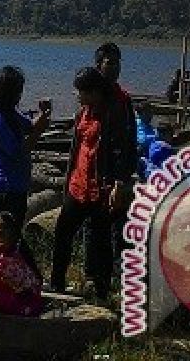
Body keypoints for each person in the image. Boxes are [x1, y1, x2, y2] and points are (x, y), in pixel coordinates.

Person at [49, 67, 139, 300]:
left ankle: (101, 290)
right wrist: (67, 179)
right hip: (78, 183)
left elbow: (124, 149)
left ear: (95, 92)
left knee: (101, 239)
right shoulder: (82, 113)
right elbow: (76, 148)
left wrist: (119, 182)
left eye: (82, 92)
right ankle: (56, 282)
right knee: (63, 232)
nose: (78, 96)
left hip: (101, 186)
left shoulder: (114, 112)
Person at [0, 66, 50, 226]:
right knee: (7, 236)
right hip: (4, 187)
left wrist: (43, 114)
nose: (20, 95)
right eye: (17, 91)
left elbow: (30, 126)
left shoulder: (12, 112)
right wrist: (38, 132)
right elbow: (17, 152)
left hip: (16, 185)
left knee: (13, 236)